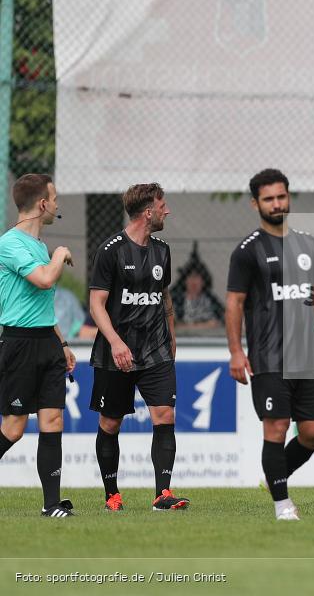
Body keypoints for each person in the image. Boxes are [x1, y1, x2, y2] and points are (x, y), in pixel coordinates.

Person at [226, 168, 314, 521]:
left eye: (281, 196)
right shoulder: (247, 251)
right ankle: (282, 504)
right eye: (269, 198)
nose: (276, 203)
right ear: (255, 203)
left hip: (307, 355)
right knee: (275, 427)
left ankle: (274, 476)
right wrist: (235, 350)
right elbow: (234, 303)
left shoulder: (308, 244)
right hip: (268, 356)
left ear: (288, 197)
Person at [88, 183, 189, 513]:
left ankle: (163, 494)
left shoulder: (162, 250)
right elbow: (96, 304)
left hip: (156, 349)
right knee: (110, 424)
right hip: (117, 354)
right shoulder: (110, 250)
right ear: (148, 212)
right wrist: (116, 342)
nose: (167, 211)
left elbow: (164, 295)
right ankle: (111, 495)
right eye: (163, 206)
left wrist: (171, 335)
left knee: (165, 416)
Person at [0, 173, 77, 517]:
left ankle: (51, 505)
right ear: (43, 204)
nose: (57, 205)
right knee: (14, 429)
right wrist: (60, 255)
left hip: (47, 342)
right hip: (18, 344)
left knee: (53, 423)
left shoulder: (40, 247)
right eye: (55, 198)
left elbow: (40, 304)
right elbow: (45, 281)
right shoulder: (10, 243)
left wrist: (61, 343)